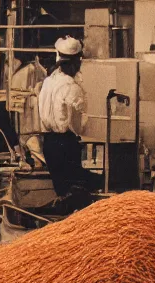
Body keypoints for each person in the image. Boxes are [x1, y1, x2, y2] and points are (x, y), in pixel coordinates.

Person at [37, 36, 97, 204]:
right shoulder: (72, 87)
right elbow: (77, 127)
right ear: (76, 63)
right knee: (76, 192)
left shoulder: (48, 82)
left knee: (63, 191)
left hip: (48, 143)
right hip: (65, 144)